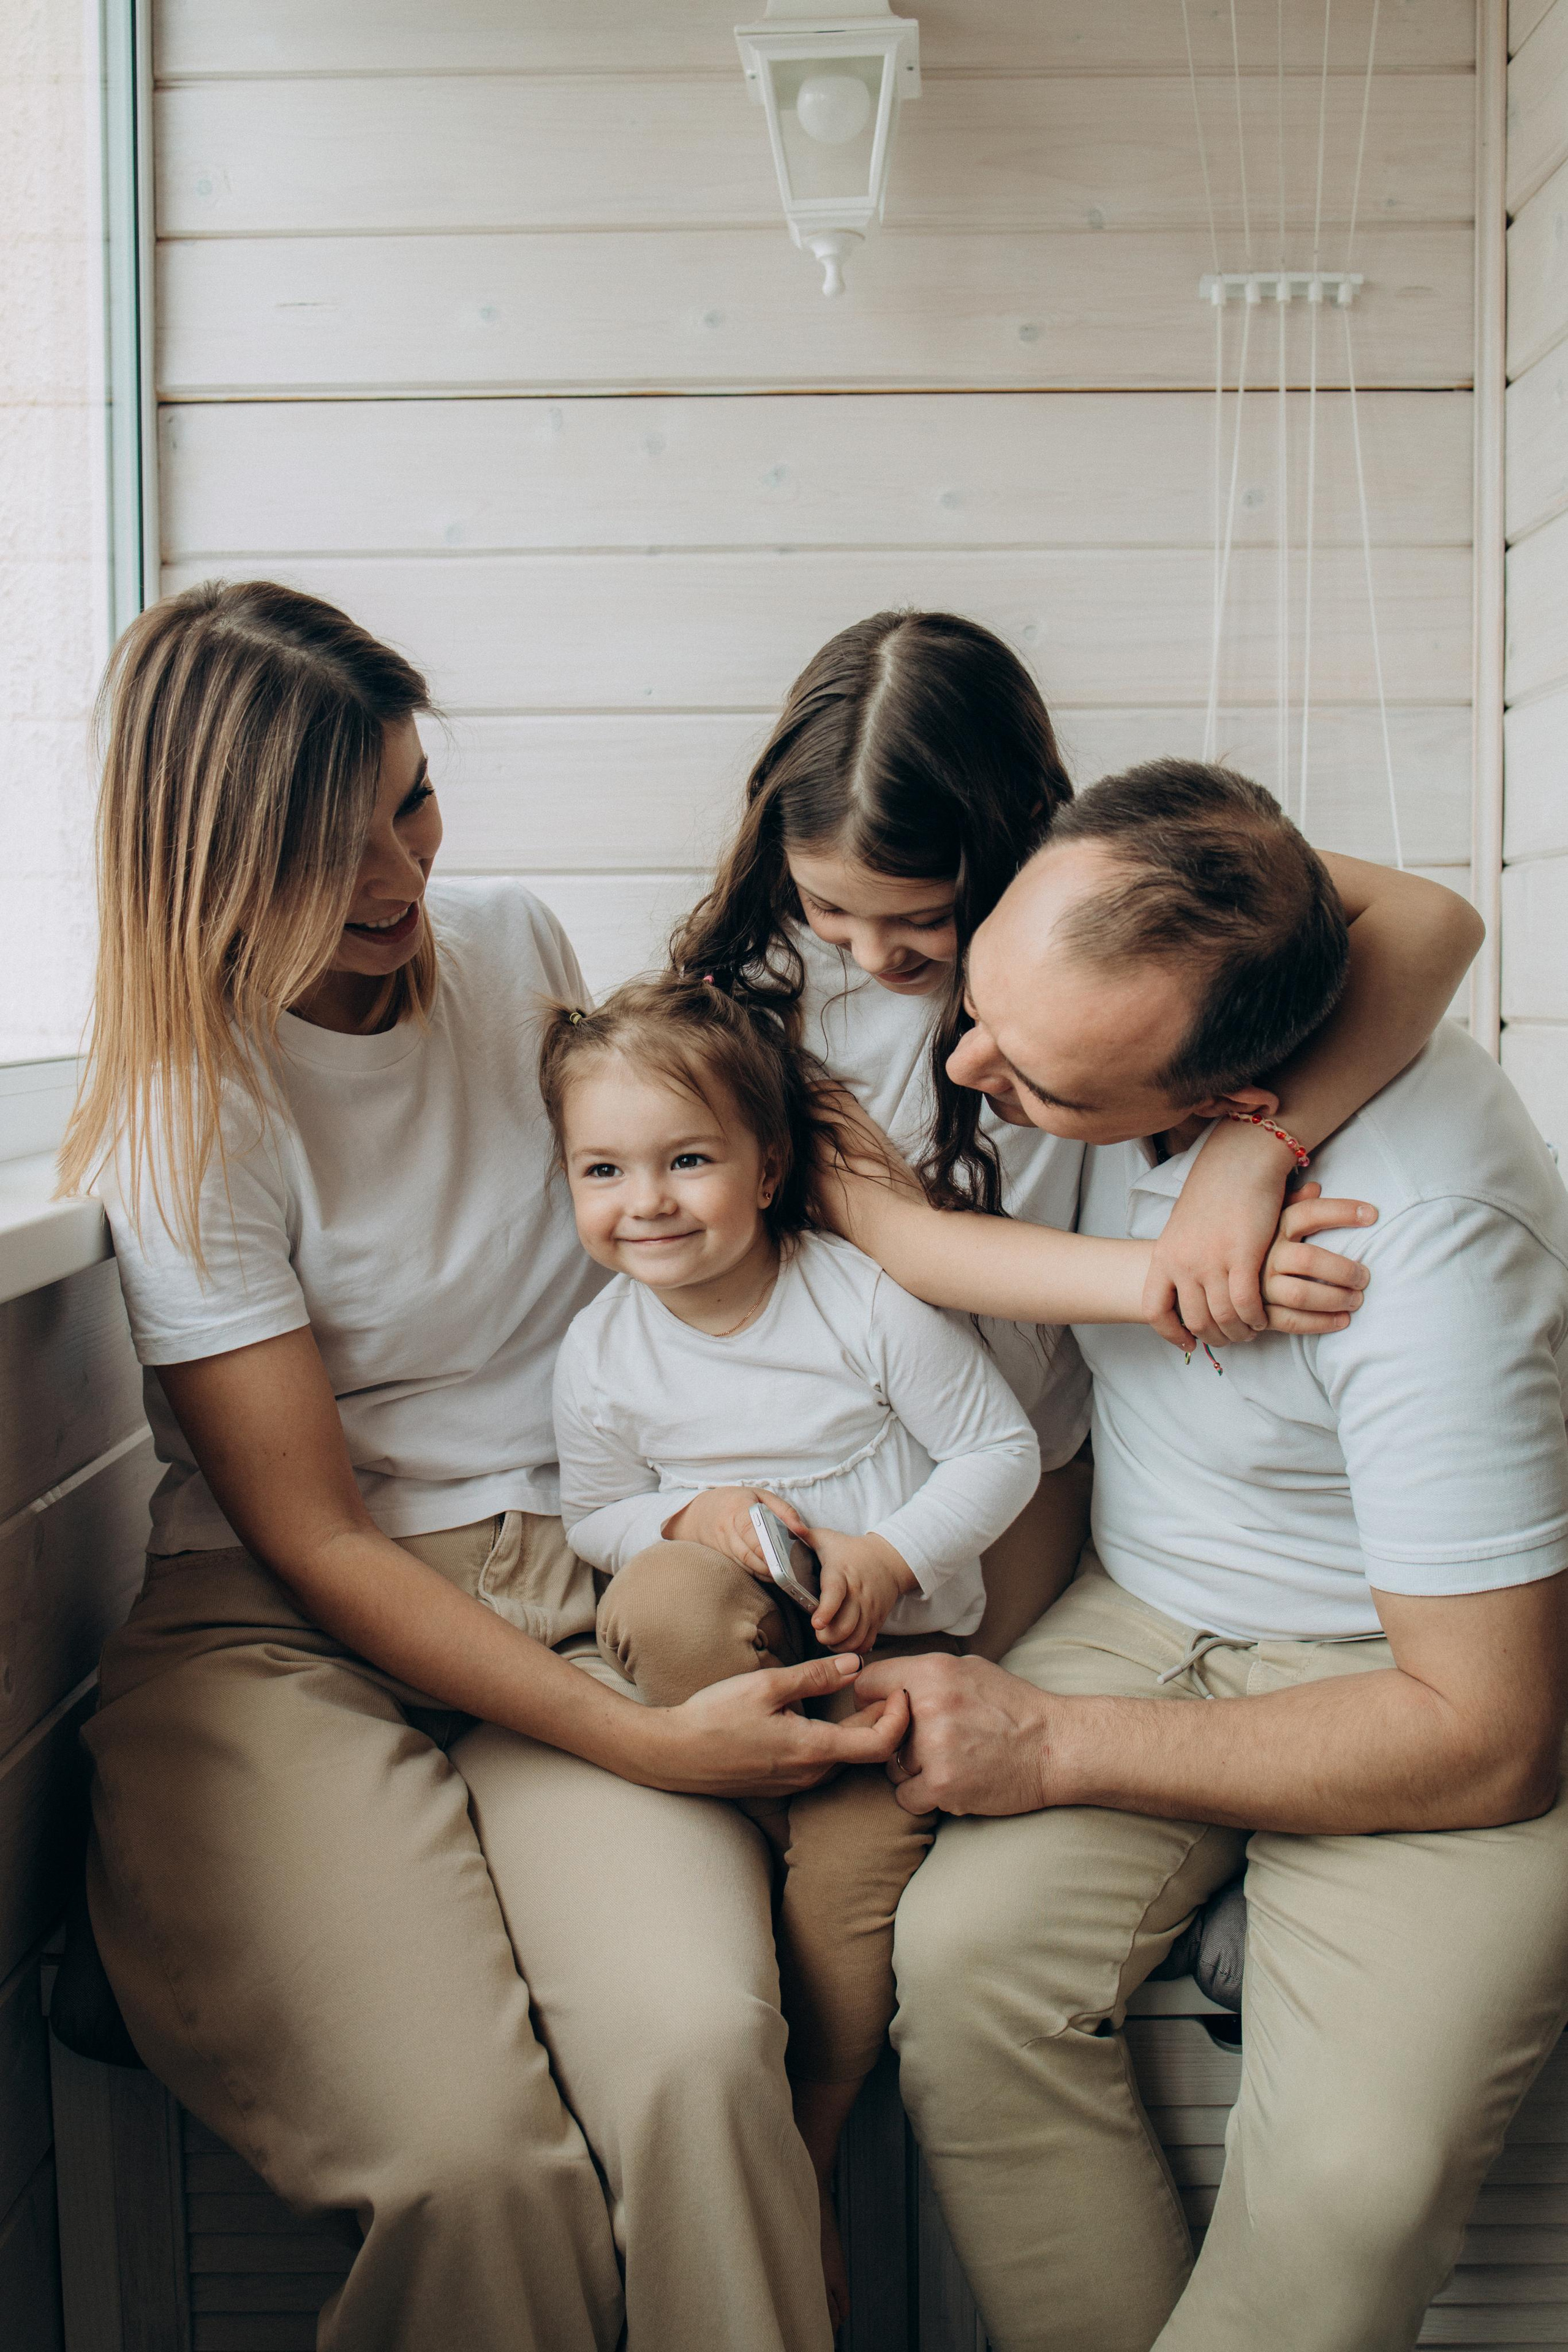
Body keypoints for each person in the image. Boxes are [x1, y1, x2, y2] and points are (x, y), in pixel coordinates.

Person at [59, 579, 914, 2352]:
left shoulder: (520, 952)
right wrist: (650, 1739)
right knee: (478, 2175)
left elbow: (715, 1135)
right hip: (286, 1637)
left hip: (571, 1590)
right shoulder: (185, 1116)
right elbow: (320, 1543)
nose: (396, 878)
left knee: (696, 2069)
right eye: (327, 842)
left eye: (411, 800)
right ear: (208, 856)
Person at [838, 761, 1568, 2352]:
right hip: (1150, 1601)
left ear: (1230, 1096)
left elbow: (1494, 1739)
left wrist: (1057, 1742)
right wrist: (1249, 1154)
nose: (966, 1064)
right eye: (982, 1007)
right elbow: (1419, 907)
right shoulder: (1154, 919)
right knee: (962, 1981)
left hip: (1411, 1685)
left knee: (1356, 2186)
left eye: (1035, 1080)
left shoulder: (1422, 1249)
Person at [673, 610, 1484, 1652]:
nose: (874, 953)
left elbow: (1432, 919)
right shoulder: (766, 997)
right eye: (829, 904)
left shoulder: (1087, 893)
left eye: (924, 916)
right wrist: (1176, 1277)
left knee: (951, 1722)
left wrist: (1245, 1156)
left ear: (1009, 838)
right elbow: (912, 1242)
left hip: (1031, 1444)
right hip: (844, 1425)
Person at [541, 971, 1040, 2327]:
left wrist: (890, 1557)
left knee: (849, 1906)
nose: (645, 1201)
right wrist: (685, 1510)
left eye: (686, 1161)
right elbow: (591, 1514)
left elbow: (1000, 1447)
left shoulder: (857, 1300)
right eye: (604, 1169)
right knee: (654, 1592)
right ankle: (745, 1796)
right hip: (726, 1659)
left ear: (765, 1171)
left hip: (879, 1678)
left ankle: (803, 2148)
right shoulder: (599, 1355)